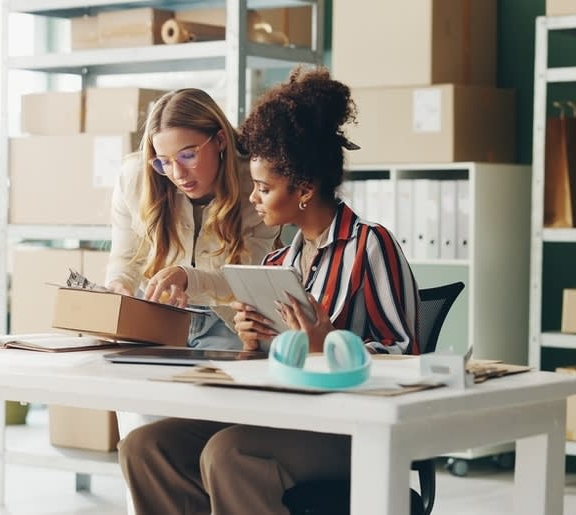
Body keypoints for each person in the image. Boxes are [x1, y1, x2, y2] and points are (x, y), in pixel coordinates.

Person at [118, 67, 420, 515]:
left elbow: (407, 359)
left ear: (303, 189)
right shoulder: (279, 264)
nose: (253, 199)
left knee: (230, 454)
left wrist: (328, 344)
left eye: (263, 188)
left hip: (352, 426)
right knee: (146, 446)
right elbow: (274, 364)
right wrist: (253, 343)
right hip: (287, 414)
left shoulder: (369, 245)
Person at [105, 88, 279, 350]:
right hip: (157, 314)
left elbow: (245, 281)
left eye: (188, 155)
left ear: (220, 140)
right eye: (164, 162)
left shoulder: (257, 187)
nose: (177, 173)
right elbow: (125, 258)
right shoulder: (135, 178)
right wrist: (119, 285)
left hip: (229, 323)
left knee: (221, 386)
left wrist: (187, 277)